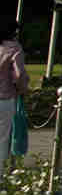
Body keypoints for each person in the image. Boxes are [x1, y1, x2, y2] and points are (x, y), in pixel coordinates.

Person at [0, 18, 29, 168]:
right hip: (4, 98)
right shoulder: (13, 48)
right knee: (2, 139)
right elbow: (19, 75)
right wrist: (22, 89)